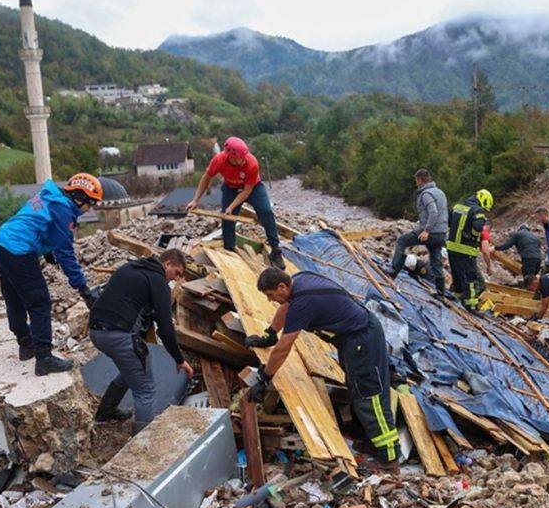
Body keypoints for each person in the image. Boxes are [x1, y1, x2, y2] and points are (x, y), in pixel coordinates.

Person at [245, 268, 399, 469]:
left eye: (271, 295)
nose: (270, 300)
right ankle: (372, 443)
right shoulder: (298, 281)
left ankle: (389, 458)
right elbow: (285, 309)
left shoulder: (304, 302)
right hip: (353, 338)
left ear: (281, 286)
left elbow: (284, 348)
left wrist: (265, 378)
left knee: (369, 395)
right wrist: (269, 334)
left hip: (363, 338)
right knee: (356, 388)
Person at [0, 173, 102, 376]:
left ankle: (25, 345)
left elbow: (40, 225)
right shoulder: (63, 210)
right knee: (40, 302)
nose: (90, 209)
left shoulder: (51, 197)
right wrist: (83, 288)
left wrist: (48, 252)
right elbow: (66, 252)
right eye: (90, 203)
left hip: (2, 242)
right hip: (18, 251)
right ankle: (44, 358)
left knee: (14, 296)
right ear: (79, 197)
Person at [89, 249, 195, 433]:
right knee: (145, 389)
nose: (175, 279)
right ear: (167, 263)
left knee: (132, 369)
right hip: (118, 336)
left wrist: (155, 313)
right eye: (176, 273)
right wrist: (179, 360)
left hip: (96, 332)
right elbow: (166, 331)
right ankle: (142, 440)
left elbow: (127, 301)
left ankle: (106, 411)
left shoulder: (130, 267)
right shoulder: (158, 281)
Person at [185, 137, 284, 269]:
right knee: (227, 219)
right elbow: (206, 179)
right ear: (231, 156)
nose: (243, 161)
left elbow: (246, 191)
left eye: (244, 157)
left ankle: (275, 249)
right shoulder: (219, 160)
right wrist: (195, 200)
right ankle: (229, 250)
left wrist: (231, 206)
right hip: (230, 188)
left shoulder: (251, 163)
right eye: (240, 159)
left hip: (253, 188)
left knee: (266, 211)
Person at [386, 169, 448, 294]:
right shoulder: (440, 193)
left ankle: (393, 270)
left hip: (431, 232)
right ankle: (441, 293)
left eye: (416, 181)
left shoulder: (426, 194)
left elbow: (433, 212)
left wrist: (426, 230)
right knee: (436, 263)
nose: (416, 184)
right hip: (441, 233)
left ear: (419, 180)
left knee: (402, 241)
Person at [446, 189, 493, 310]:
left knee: (457, 277)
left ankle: (457, 300)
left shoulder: (458, 207)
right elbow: (477, 228)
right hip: (466, 250)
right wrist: (472, 235)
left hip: (451, 248)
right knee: (470, 278)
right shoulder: (477, 211)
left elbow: (449, 222)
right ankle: (471, 305)